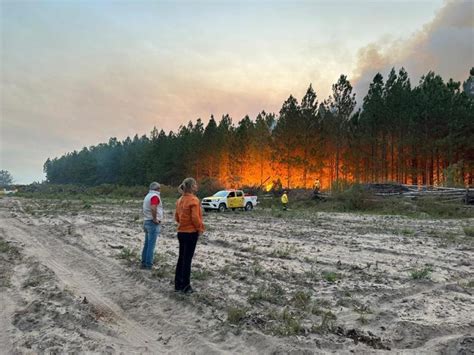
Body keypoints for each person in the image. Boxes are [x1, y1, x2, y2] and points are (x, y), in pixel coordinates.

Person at [174, 177, 205, 293]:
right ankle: (186, 287)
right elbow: (195, 218)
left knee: (181, 258)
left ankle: (178, 284)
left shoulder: (179, 200)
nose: (197, 186)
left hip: (181, 232)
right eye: (195, 185)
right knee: (187, 260)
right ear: (192, 187)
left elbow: (176, 217)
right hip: (191, 233)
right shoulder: (194, 200)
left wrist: (183, 223)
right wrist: (200, 228)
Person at [141, 182, 163, 270]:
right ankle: (148, 265)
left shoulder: (147, 196)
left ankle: (143, 263)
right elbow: (153, 207)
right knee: (151, 245)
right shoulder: (155, 196)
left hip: (146, 220)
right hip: (152, 222)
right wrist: (155, 219)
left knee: (147, 244)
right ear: (158, 189)